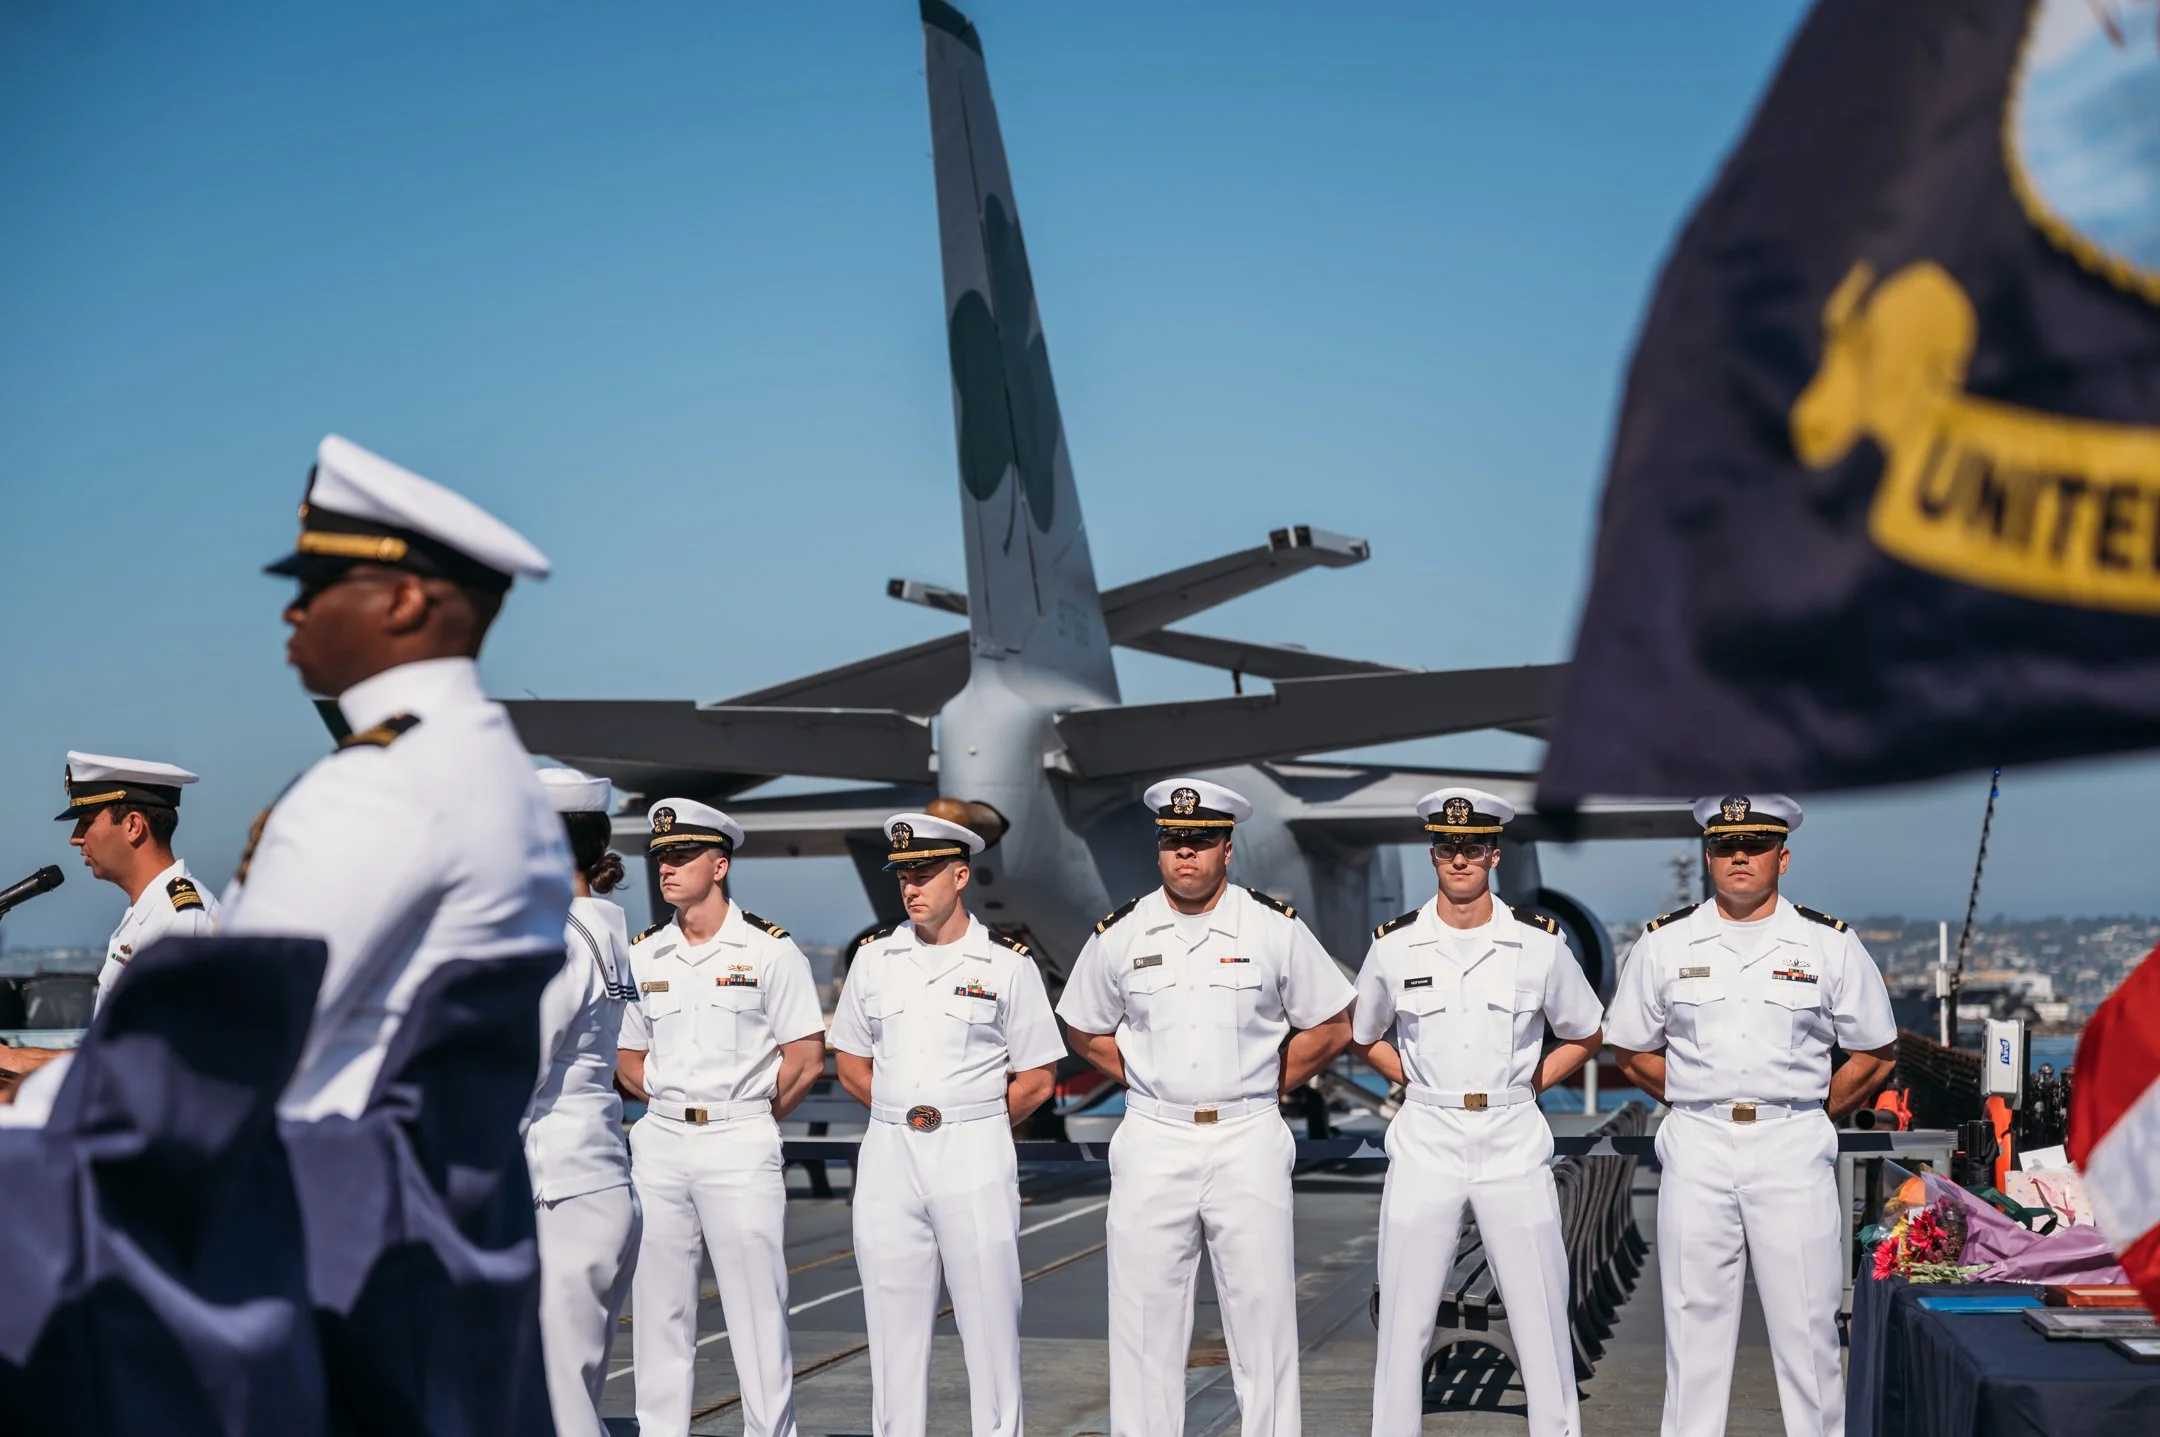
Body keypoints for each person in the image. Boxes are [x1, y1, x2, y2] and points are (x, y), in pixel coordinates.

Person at [222, 432, 571, 1120]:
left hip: (327, 1206)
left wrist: (26, 1095)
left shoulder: (381, 783)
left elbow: (225, 1045)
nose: (294, 609)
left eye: (315, 582)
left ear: (404, 600)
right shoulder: (487, 763)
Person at [1056, 777, 1355, 1437]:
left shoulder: (1271, 928)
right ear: (1158, 848)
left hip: (1247, 1132)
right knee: (1142, 1318)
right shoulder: (1123, 932)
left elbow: (1333, 1022)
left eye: (1198, 841)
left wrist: (1273, 1082)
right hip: (1154, 1134)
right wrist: (1140, 1075)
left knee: (1262, 1312)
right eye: (1172, 841)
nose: (1183, 854)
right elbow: (1081, 1026)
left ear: (1227, 848)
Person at [1605, 794, 1897, 1437]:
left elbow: (1875, 1053)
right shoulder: (1665, 943)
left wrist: (1814, 1110)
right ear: (1707, 855)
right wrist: (1690, 1096)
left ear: (1783, 859)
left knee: (1809, 1331)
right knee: (1692, 1329)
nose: (1740, 855)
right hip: (1699, 1143)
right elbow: (1629, 1048)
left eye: (1756, 846)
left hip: (1792, 1143)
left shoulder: (1828, 944)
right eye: (1724, 845)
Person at [1352, 787, 1602, 1437]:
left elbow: (1586, 1030)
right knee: (1404, 1315)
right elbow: (1363, 1032)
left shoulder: (1537, 944)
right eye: (1447, 846)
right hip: (1427, 1134)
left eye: (1473, 846)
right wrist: (1411, 1079)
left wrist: (1533, 1081)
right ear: (1433, 853)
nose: (1459, 857)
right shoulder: (1395, 945)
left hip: (1512, 1133)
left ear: (1494, 854)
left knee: (1541, 1312)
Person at [828, 812, 1065, 1437]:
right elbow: (849, 1057)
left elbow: (1038, 1077)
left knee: (989, 1320)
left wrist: (975, 1122)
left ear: (961, 876)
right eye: (905, 874)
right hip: (889, 1152)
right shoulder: (874, 961)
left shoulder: (1007, 965)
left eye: (926, 873)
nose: (912, 886)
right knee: (890, 1319)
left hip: (973, 1150)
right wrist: (900, 1113)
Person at [616, 797, 824, 1437]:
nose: (667, 868)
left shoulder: (769, 951)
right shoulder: (643, 953)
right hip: (661, 1141)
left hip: (740, 1139)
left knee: (758, 1307)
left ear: (720, 864)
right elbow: (627, 1056)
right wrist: (672, 1110)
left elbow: (806, 1058)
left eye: (681, 856)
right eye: (661, 858)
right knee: (659, 1309)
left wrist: (754, 1117)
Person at [0, 754, 220, 1106]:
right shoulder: (148, 915)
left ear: (133, 826)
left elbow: (155, 1065)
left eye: (86, 821)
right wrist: (15, 1059)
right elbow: (118, 1052)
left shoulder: (179, 922)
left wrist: (19, 1065)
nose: (75, 839)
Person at [528, 767, 642, 1437]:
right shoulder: (600, 928)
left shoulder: (558, 941)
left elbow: (516, 1069)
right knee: (571, 1401)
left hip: (559, 1192)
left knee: (554, 1407)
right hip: (596, 1179)